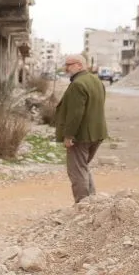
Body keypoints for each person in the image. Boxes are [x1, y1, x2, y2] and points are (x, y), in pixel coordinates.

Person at [53, 54, 108, 203]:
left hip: (81, 135)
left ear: (79, 65)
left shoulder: (78, 84)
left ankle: (83, 205)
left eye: (68, 65)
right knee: (82, 168)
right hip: (97, 133)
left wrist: (69, 135)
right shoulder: (95, 80)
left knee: (77, 171)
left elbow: (75, 114)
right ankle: (93, 203)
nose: (66, 68)